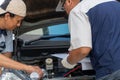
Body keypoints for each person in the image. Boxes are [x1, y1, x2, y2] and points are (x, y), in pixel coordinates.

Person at [61, 0, 120, 80]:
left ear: (68, 1)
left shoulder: (78, 10)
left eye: (63, 8)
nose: (67, 13)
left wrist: (67, 62)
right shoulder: (115, 3)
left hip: (111, 70)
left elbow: (82, 50)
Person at [0, 0, 43, 78]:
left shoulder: (8, 31)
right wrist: (26, 68)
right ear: (7, 16)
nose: (19, 24)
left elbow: (7, 57)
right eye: (18, 21)